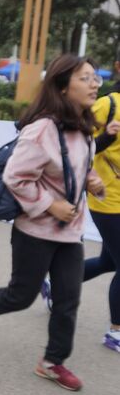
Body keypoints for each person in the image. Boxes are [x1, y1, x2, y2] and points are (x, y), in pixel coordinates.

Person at [0, 54, 105, 392]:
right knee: (21, 296)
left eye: (96, 78)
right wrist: (51, 205)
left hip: (69, 234)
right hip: (35, 231)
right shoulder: (42, 130)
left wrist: (92, 180)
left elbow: (79, 166)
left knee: (68, 299)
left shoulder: (84, 127)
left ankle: (52, 362)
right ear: (63, 87)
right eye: (85, 78)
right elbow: (15, 177)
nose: (94, 84)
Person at [72, 74, 120, 352]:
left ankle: (55, 284)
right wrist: (106, 135)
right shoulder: (107, 104)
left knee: (109, 262)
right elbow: (79, 145)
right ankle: (115, 332)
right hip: (106, 198)